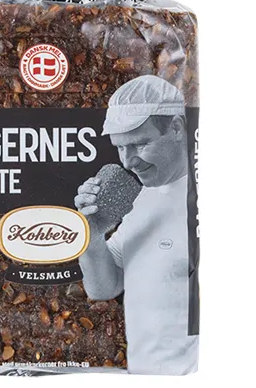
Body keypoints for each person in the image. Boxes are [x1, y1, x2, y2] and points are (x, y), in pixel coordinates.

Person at [75, 75, 198, 375]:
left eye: (140, 144)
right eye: (120, 148)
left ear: (176, 128)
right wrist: (92, 236)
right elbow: (105, 287)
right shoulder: (142, 197)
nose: (128, 162)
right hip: (141, 372)